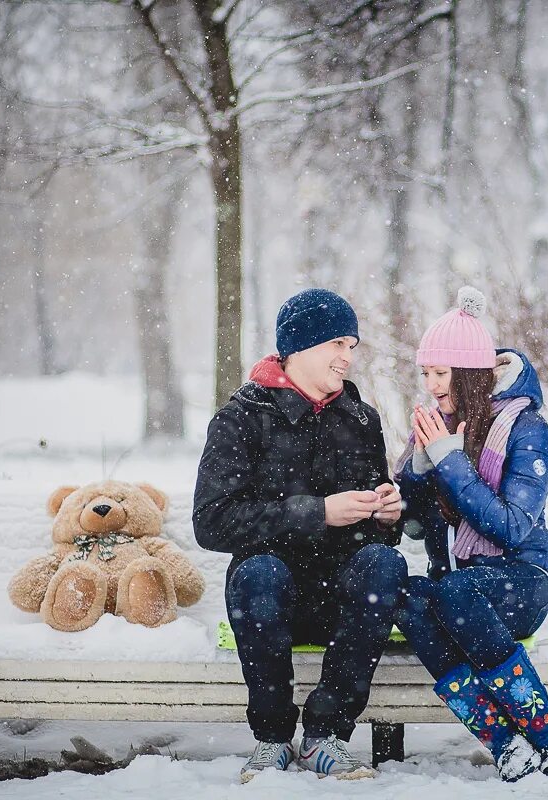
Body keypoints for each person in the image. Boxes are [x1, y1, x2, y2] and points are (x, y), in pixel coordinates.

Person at [192, 288, 407, 782]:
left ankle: (325, 736)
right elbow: (212, 521)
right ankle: (271, 741)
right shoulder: (241, 417)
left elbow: (376, 540)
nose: (347, 357)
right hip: (268, 599)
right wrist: (318, 513)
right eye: (337, 344)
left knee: (385, 565)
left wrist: (385, 516)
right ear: (300, 347)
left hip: (341, 602)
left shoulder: (361, 418)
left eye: (352, 346)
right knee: (259, 573)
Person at [394, 287, 548, 781]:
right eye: (426, 373)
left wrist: (449, 462)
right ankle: (505, 744)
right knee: (407, 596)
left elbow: (511, 524)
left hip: (520, 580)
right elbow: (414, 525)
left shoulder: (525, 428)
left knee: (454, 592)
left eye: (441, 373)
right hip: (460, 585)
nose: (432, 385)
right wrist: (415, 471)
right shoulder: (440, 427)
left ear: (471, 375)